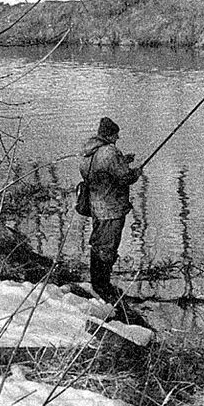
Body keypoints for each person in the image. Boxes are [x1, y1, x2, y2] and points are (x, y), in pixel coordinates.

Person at [80, 116, 142, 301]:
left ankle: (97, 283)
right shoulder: (109, 152)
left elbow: (101, 172)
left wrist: (123, 160)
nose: (117, 139)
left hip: (96, 207)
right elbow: (124, 178)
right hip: (111, 208)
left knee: (98, 243)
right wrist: (136, 172)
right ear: (110, 135)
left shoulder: (89, 152)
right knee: (108, 246)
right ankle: (103, 287)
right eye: (116, 135)